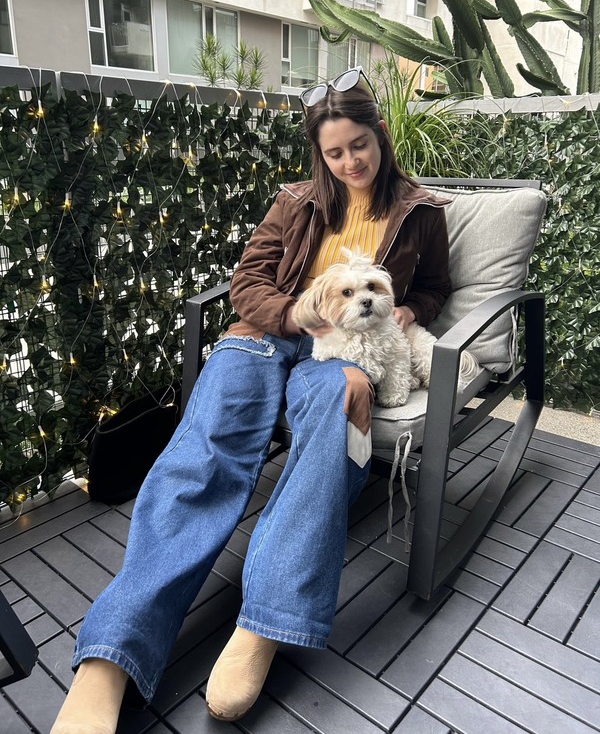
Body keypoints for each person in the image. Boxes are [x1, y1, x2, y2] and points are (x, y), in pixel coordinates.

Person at [51, 66, 451, 733]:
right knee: (207, 448)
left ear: (380, 133)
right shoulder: (294, 201)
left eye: (359, 145)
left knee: (335, 412)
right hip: (267, 338)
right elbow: (247, 282)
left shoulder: (421, 211)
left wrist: (409, 311)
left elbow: (435, 285)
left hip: (344, 352)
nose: (349, 162)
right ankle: (112, 652)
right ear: (319, 154)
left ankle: (265, 620)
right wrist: (296, 316)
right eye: (334, 152)